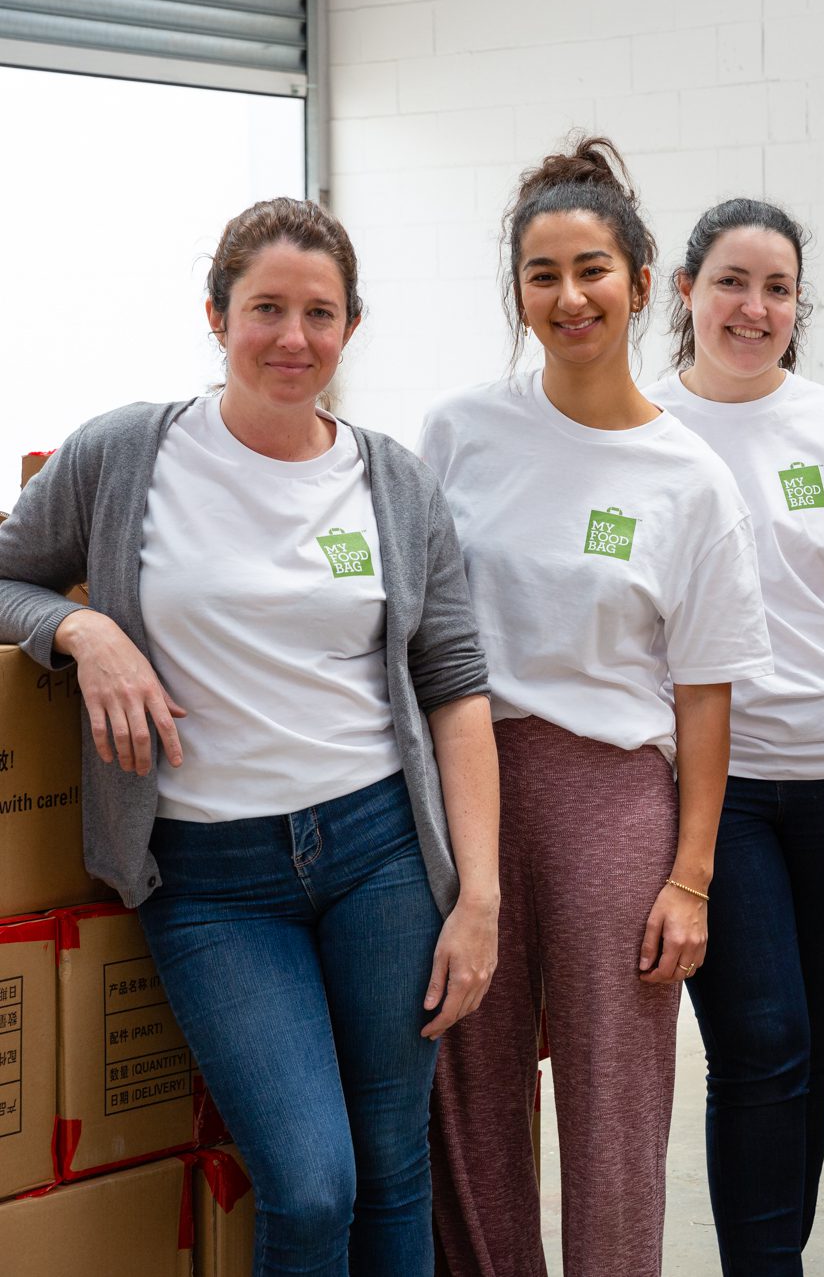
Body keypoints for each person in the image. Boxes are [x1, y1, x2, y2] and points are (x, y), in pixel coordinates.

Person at [0, 198, 498, 1276]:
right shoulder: (127, 453)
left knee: (391, 1164)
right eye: (265, 307)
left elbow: (455, 685)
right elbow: (4, 575)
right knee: (313, 1182)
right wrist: (81, 628)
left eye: (319, 313)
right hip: (211, 876)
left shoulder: (394, 482)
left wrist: (480, 896)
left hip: (381, 857)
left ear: (350, 327)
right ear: (217, 314)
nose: (292, 336)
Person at [423, 139, 772, 1277]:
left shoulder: (689, 477)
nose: (567, 297)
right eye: (541, 275)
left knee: (613, 1104)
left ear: (636, 279)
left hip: (612, 800)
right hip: (466, 789)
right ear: (517, 290)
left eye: (590, 271)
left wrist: (690, 876)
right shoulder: (460, 434)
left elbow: (705, 694)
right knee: (468, 1091)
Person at [652, 197, 824, 1275]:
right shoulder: (645, 428)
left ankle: (775, 1256)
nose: (753, 307)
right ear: (683, 291)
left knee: (802, 1050)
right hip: (711, 790)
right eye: (730, 281)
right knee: (759, 1041)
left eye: (776, 288)